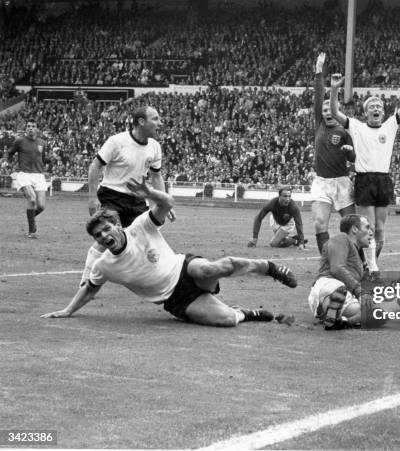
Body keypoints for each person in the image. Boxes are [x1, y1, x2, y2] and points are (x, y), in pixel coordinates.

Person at [42, 178, 298, 327]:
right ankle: (247, 313)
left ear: (117, 225)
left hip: (184, 269)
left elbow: (167, 203)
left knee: (213, 268)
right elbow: (89, 289)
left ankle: (270, 268)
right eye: (98, 236)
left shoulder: (141, 226)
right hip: (175, 300)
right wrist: (67, 311)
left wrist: (150, 193)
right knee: (227, 320)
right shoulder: (103, 264)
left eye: (106, 229)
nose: (104, 237)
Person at [330, 62, 400, 275]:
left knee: (380, 231)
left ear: (383, 112)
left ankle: (366, 265)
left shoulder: (390, 125)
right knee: (369, 229)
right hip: (365, 180)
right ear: (365, 112)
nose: (376, 109)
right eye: (371, 107)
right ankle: (371, 267)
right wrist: (335, 88)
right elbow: (335, 112)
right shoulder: (356, 126)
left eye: (379, 107)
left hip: (384, 181)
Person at [80, 106, 175, 286]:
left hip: (137, 199)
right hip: (111, 196)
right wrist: (92, 197)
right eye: (155, 118)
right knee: (106, 236)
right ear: (141, 121)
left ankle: (160, 277)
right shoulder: (117, 141)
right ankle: (86, 282)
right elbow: (95, 166)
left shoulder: (155, 146)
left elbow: (156, 176)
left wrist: (163, 202)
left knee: (148, 237)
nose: (160, 123)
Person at [311, 52, 356, 254]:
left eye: (331, 110)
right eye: (324, 110)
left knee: (351, 227)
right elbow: (319, 96)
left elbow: (355, 159)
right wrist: (319, 72)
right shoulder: (319, 123)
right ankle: (326, 261)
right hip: (322, 182)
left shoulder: (346, 130)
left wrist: (350, 153)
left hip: (342, 183)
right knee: (320, 223)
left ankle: (357, 261)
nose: (327, 112)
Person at [308, 214, 372, 330]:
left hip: (345, 295)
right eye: (367, 227)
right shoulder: (341, 238)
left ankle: (341, 321)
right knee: (337, 290)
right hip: (328, 284)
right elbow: (337, 268)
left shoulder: (359, 255)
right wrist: (359, 292)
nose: (371, 232)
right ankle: (331, 302)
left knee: (382, 309)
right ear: (354, 229)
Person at [6, 120, 47, 238]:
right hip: (24, 174)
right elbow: (10, 153)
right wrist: (9, 165)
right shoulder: (20, 141)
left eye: (33, 126)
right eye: (28, 126)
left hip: (39, 175)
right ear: (26, 129)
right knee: (32, 199)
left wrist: (49, 161)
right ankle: (32, 231)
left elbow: (43, 158)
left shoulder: (42, 142)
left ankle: (30, 219)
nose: (30, 128)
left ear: (37, 129)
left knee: (41, 207)